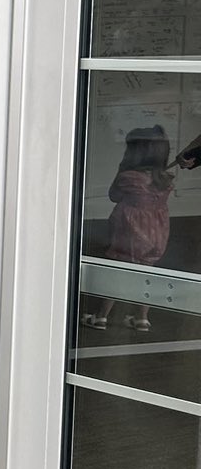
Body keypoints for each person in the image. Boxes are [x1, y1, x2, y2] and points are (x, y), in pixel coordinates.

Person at [82, 125, 181, 332]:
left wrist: (121, 169)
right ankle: (142, 318)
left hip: (128, 234)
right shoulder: (165, 180)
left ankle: (101, 317)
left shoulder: (129, 178)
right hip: (155, 235)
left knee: (117, 274)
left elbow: (113, 195)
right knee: (145, 274)